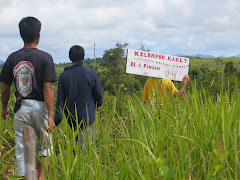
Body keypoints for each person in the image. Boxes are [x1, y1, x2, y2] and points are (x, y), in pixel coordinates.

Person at [0, 16, 57, 180]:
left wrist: (4, 107)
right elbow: (48, 86)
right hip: (41, 108)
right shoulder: (45, 57)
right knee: (45, 145)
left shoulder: (12, 58)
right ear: (38, 35)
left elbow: (5, 88)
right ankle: (42, 177)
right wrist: (51, 115)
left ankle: (31, 177)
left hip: (21, 108)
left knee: (26, 149)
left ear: (21, 34)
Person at [54, 45, 103, 152]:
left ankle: (77, 166)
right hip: (87, 116)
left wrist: (57, 119)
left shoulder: (64, 76)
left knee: (77, 144)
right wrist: (98, 104)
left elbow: (60, 100)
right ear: (83, 57)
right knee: (84, 147)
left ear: (69, 58)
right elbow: (98, 94)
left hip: (71, 118)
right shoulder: (91, 74)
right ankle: (82, 167)